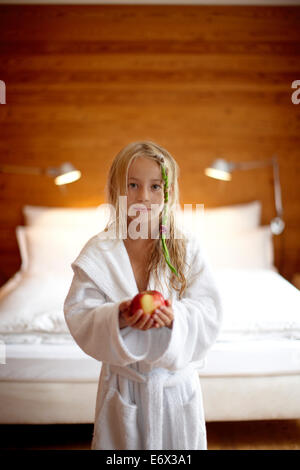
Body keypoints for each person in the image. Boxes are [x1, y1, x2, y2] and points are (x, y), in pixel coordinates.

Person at [63, 140, 223, 450]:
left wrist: (178, 316)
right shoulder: (99, 251)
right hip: (124, 387)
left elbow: (209, 309)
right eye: (133, 185)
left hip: (175, 389)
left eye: (154, 186)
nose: (143, 197)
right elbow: (79, 312)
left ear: (169, 192)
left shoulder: (185, 247)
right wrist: (116, 316)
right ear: (115, 190)